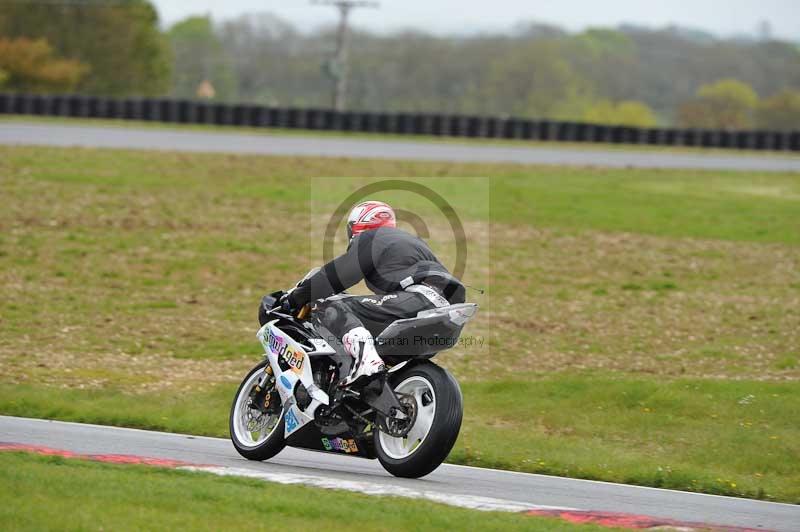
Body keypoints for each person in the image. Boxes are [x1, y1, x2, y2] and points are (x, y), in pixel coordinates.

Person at [282, 200, 465, 386]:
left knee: (330, 306)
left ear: (358, 226)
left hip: (421, 297)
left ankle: (366, 362)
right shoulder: (412, 242)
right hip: (449, 311)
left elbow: (339, 275)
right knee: (383, 366)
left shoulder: (372, 237)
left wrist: (297, 296)